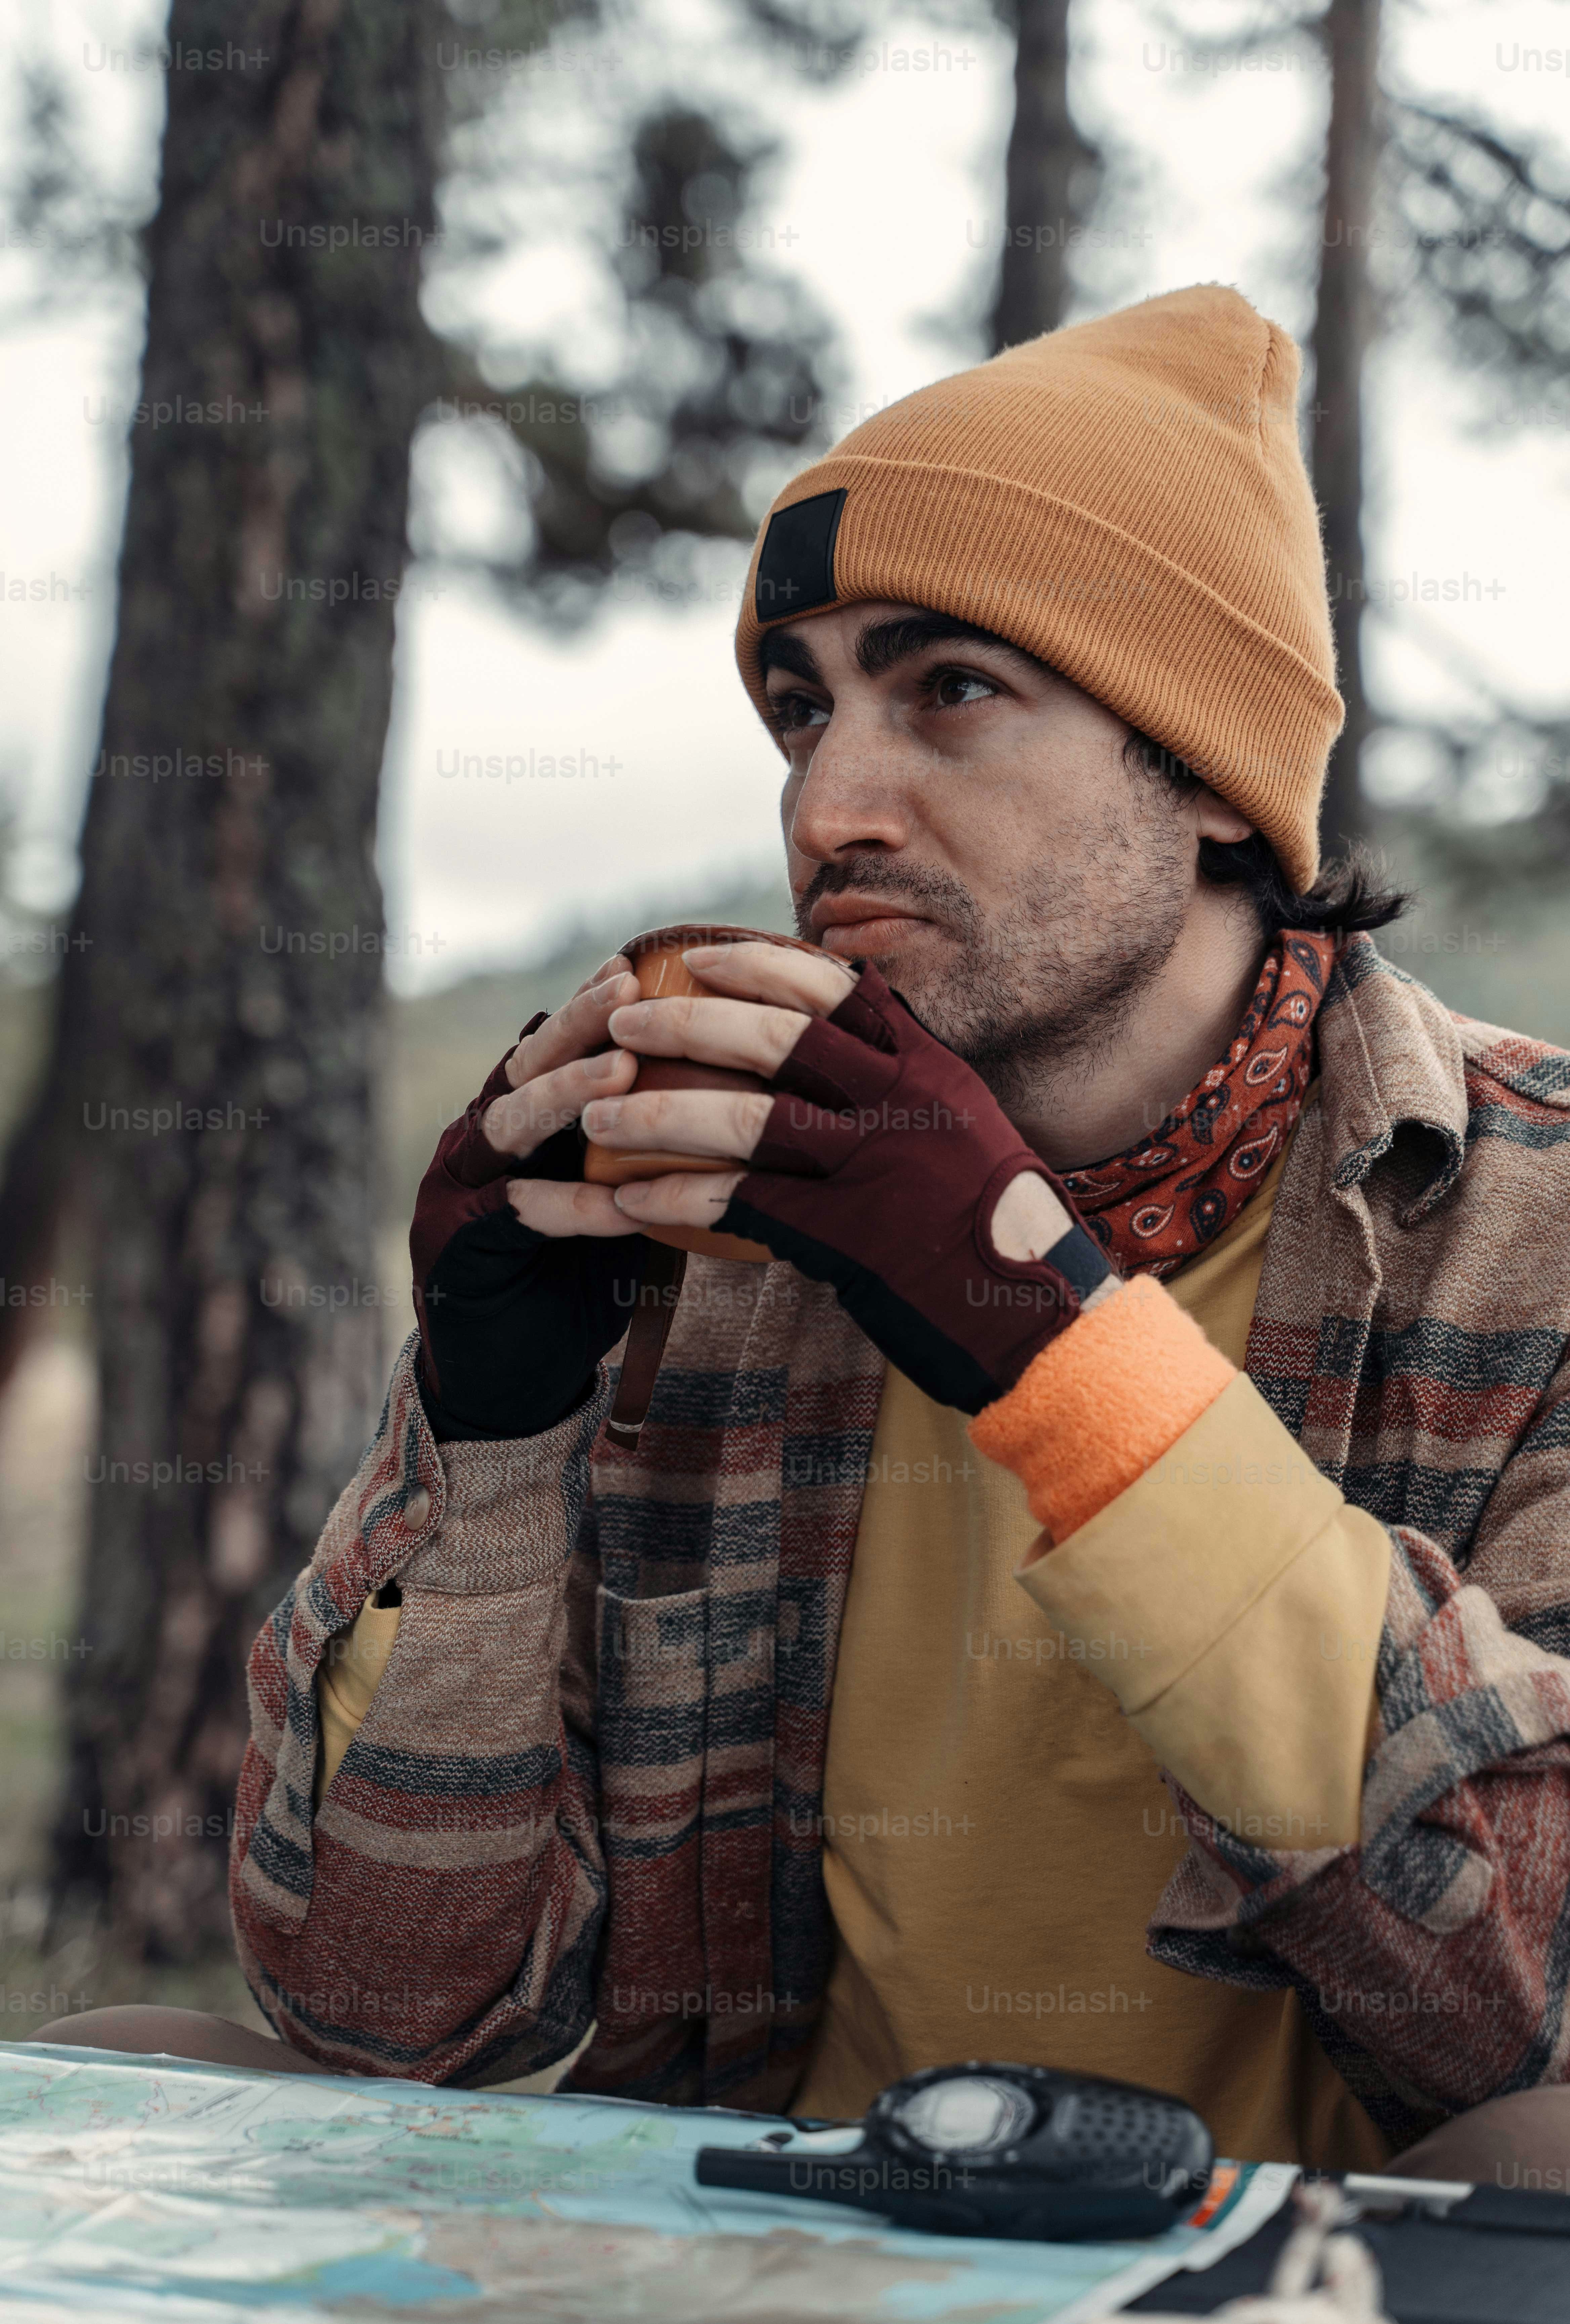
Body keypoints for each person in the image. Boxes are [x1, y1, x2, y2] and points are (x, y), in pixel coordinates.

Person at [44, 285, 1570, 2188]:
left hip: (1294, 2272)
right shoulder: (719, 1242)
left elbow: (1523, 2002)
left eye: (950, 689)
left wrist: (1042, 1336)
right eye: (801, 710)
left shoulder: (1531, 1226)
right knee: (123, 2068)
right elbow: (381, 2013)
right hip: (765, 2227)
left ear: (1201, 769)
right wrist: (494, 1428)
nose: (828, 805)